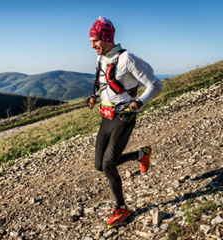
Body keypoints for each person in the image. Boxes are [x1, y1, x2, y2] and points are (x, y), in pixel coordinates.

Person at [88, 16, 163, 229]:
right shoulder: (101, 58)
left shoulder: (127, 58)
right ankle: (141, 154)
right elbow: (105, 84)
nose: (93, 46)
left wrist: (137, 103)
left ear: (106, 38)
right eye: (91, 42)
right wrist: (94, 96)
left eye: (95, 41)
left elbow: (156, 85)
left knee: (109, 164)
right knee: (99, 166)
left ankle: (121, 207)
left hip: (124, 116)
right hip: (107, 116)